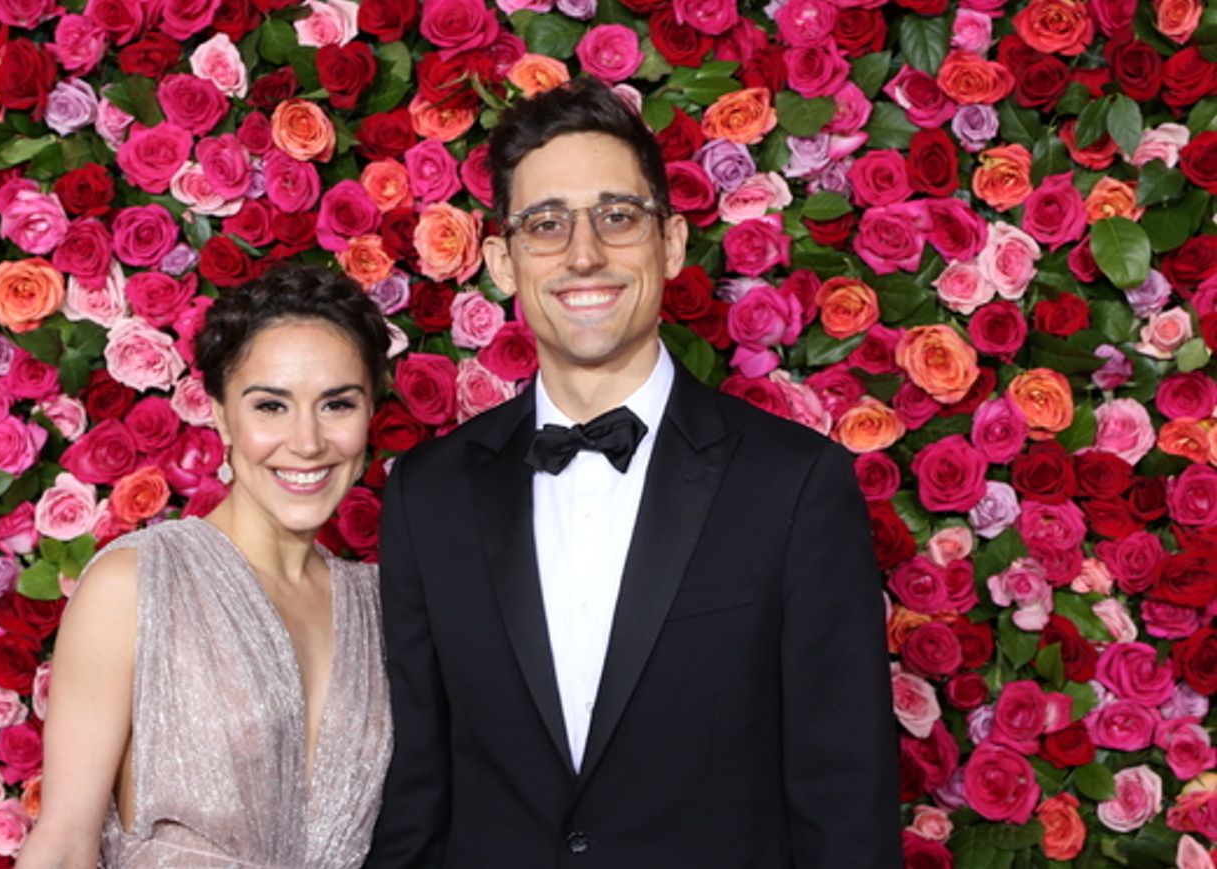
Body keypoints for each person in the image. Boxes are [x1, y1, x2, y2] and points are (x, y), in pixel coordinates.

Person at [365, 79, 900, 869]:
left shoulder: (794, 486)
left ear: (672, 244)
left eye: (617, 216)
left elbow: (846, 807)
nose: (584, 253)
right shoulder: (425, 495)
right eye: (546, 224)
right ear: (505, 262)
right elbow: (416, 795)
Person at [18, 264, 393, 869]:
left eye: (337, 404)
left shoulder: (382, 606)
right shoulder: (136, 584)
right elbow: (63, 846)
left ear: (370, 414)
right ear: (220, 415)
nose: (306, 441)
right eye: (270, 406)